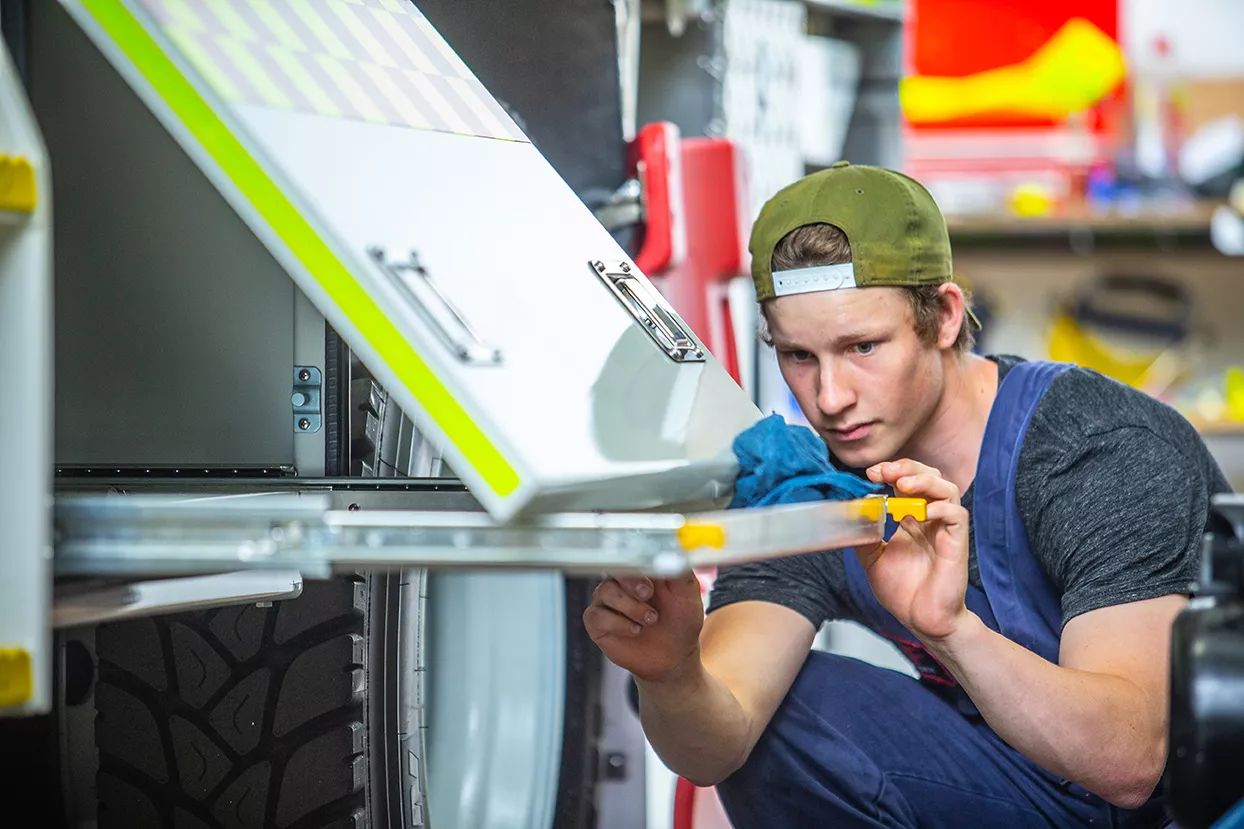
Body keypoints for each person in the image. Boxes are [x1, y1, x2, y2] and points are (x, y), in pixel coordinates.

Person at [583, 161, 1231, 827]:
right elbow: (720, 744)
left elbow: (1128, 763)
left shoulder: (1098, 448)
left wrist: (949, 629)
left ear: (945, 316)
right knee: (788, 708)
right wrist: (673, 675)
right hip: (1014, 785)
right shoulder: (816, 491)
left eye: (863, 345)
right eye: (798, 356)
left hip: (1175, 812)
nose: (830, 398)